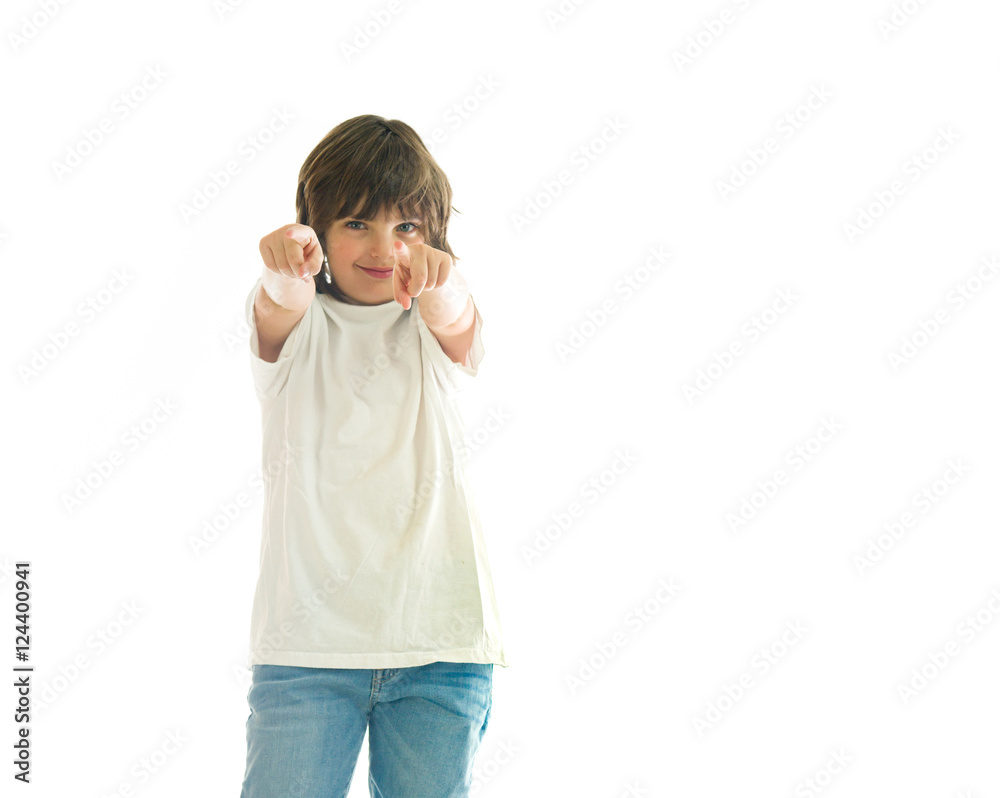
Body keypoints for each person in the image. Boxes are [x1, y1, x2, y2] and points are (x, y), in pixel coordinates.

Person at [238, 114, 509, 798]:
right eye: (357, 222)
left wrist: (440, 281)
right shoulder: (299, 330)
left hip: (439, 644)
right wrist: (284, 263)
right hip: (308, 650)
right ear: (320, 231)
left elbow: (457, 320)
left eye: (407, 228)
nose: (384, 246)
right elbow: (280, 302)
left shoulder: (429, 325)